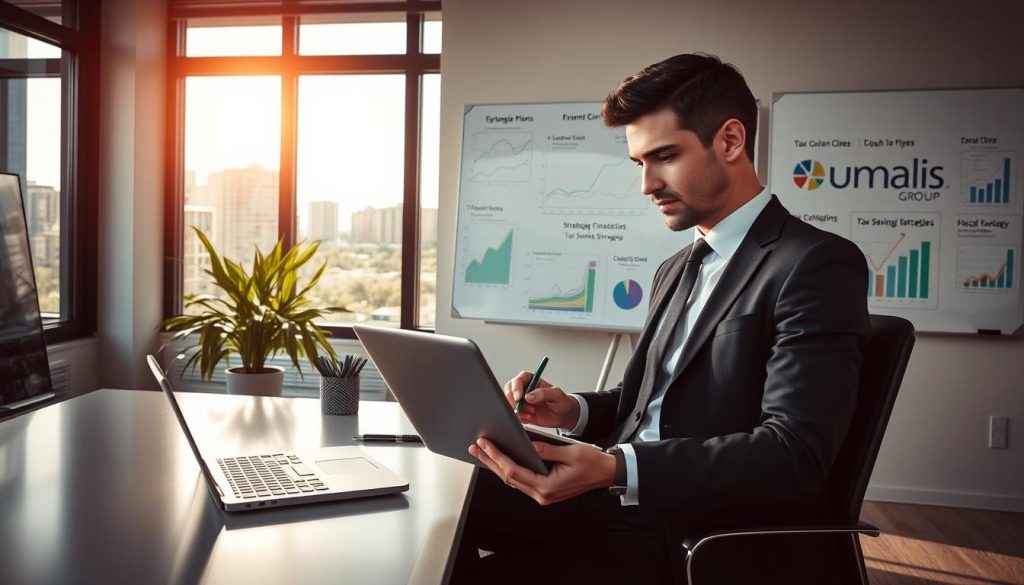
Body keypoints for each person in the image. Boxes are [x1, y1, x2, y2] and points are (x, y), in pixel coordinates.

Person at [453, 53, 870, 585]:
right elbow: (650, 404)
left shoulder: (814, 263)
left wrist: (618, 469)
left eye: (665, 157)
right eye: (639, 164)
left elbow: (794, 454)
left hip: (687, 531)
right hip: (612, 498)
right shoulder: (676, 267)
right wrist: (574, 412)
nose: (647, 185)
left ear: (731, 140)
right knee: (448, 503)